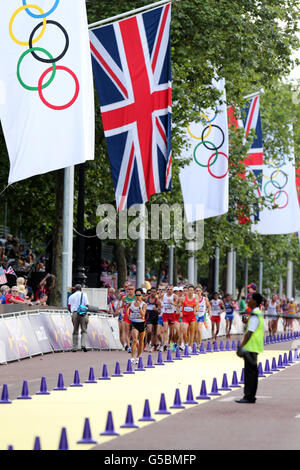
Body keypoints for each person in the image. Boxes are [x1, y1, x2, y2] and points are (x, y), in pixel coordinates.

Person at [236, 292, 264, 404]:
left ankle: (249, 396)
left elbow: (250, 332)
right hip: (254, 346)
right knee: (251, 372)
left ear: (255, 302)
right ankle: (250, 396)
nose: (248, 300)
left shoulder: (255, 314)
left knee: (250, 373)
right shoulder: (257, 313)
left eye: (250, 299)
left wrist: (241, 346)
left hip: (250, 347)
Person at [68, 284, 89, 352]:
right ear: (81, 289)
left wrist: (72, 312)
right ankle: (83, 345)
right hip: (83, 314)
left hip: (74, 313)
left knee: (75, 330)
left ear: (75, 289)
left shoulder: (71, 296)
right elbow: (87, 305)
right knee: (84, 330)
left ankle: (75, 347)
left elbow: (69, 306)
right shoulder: (84, 295)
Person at [128, 288, 147, 364]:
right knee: (135, 340)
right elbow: (126, 307)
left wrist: (139, 307)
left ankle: (138, 357)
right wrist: (127, 314)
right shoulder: (131, 303)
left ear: (142, 295)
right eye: (136, 295)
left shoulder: (144, 304)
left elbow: (143, 315)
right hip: (134, 323)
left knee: (141, 341)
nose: (138, 296)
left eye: (139, 295)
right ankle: (132, 357)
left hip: (142, 323)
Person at [180, 285, 198, 353]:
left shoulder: (195, 300)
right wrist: (180, 312)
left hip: (192, 318)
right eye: (189, 290)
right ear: (187, 291)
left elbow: (196, 309)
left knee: (192, 333)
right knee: (184, 331)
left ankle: (190, 346)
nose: (190, 292)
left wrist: (196, 312)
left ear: (193, 292)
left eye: (192, 290)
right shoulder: (183, 299)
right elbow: (179, 306)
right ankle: (186, 343)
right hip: (185, 318)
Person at [145, 287, 161, 352]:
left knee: (154, 332)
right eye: (152, 292)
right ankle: (147, 344)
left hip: (155, 316)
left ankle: (153, 345)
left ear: (156, 292)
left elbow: (160, 311)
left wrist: (156, 309)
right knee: (149, 331)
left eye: (154, 292)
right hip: (148, 317)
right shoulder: (146, 299)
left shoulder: (158, 301)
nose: (153, 293)